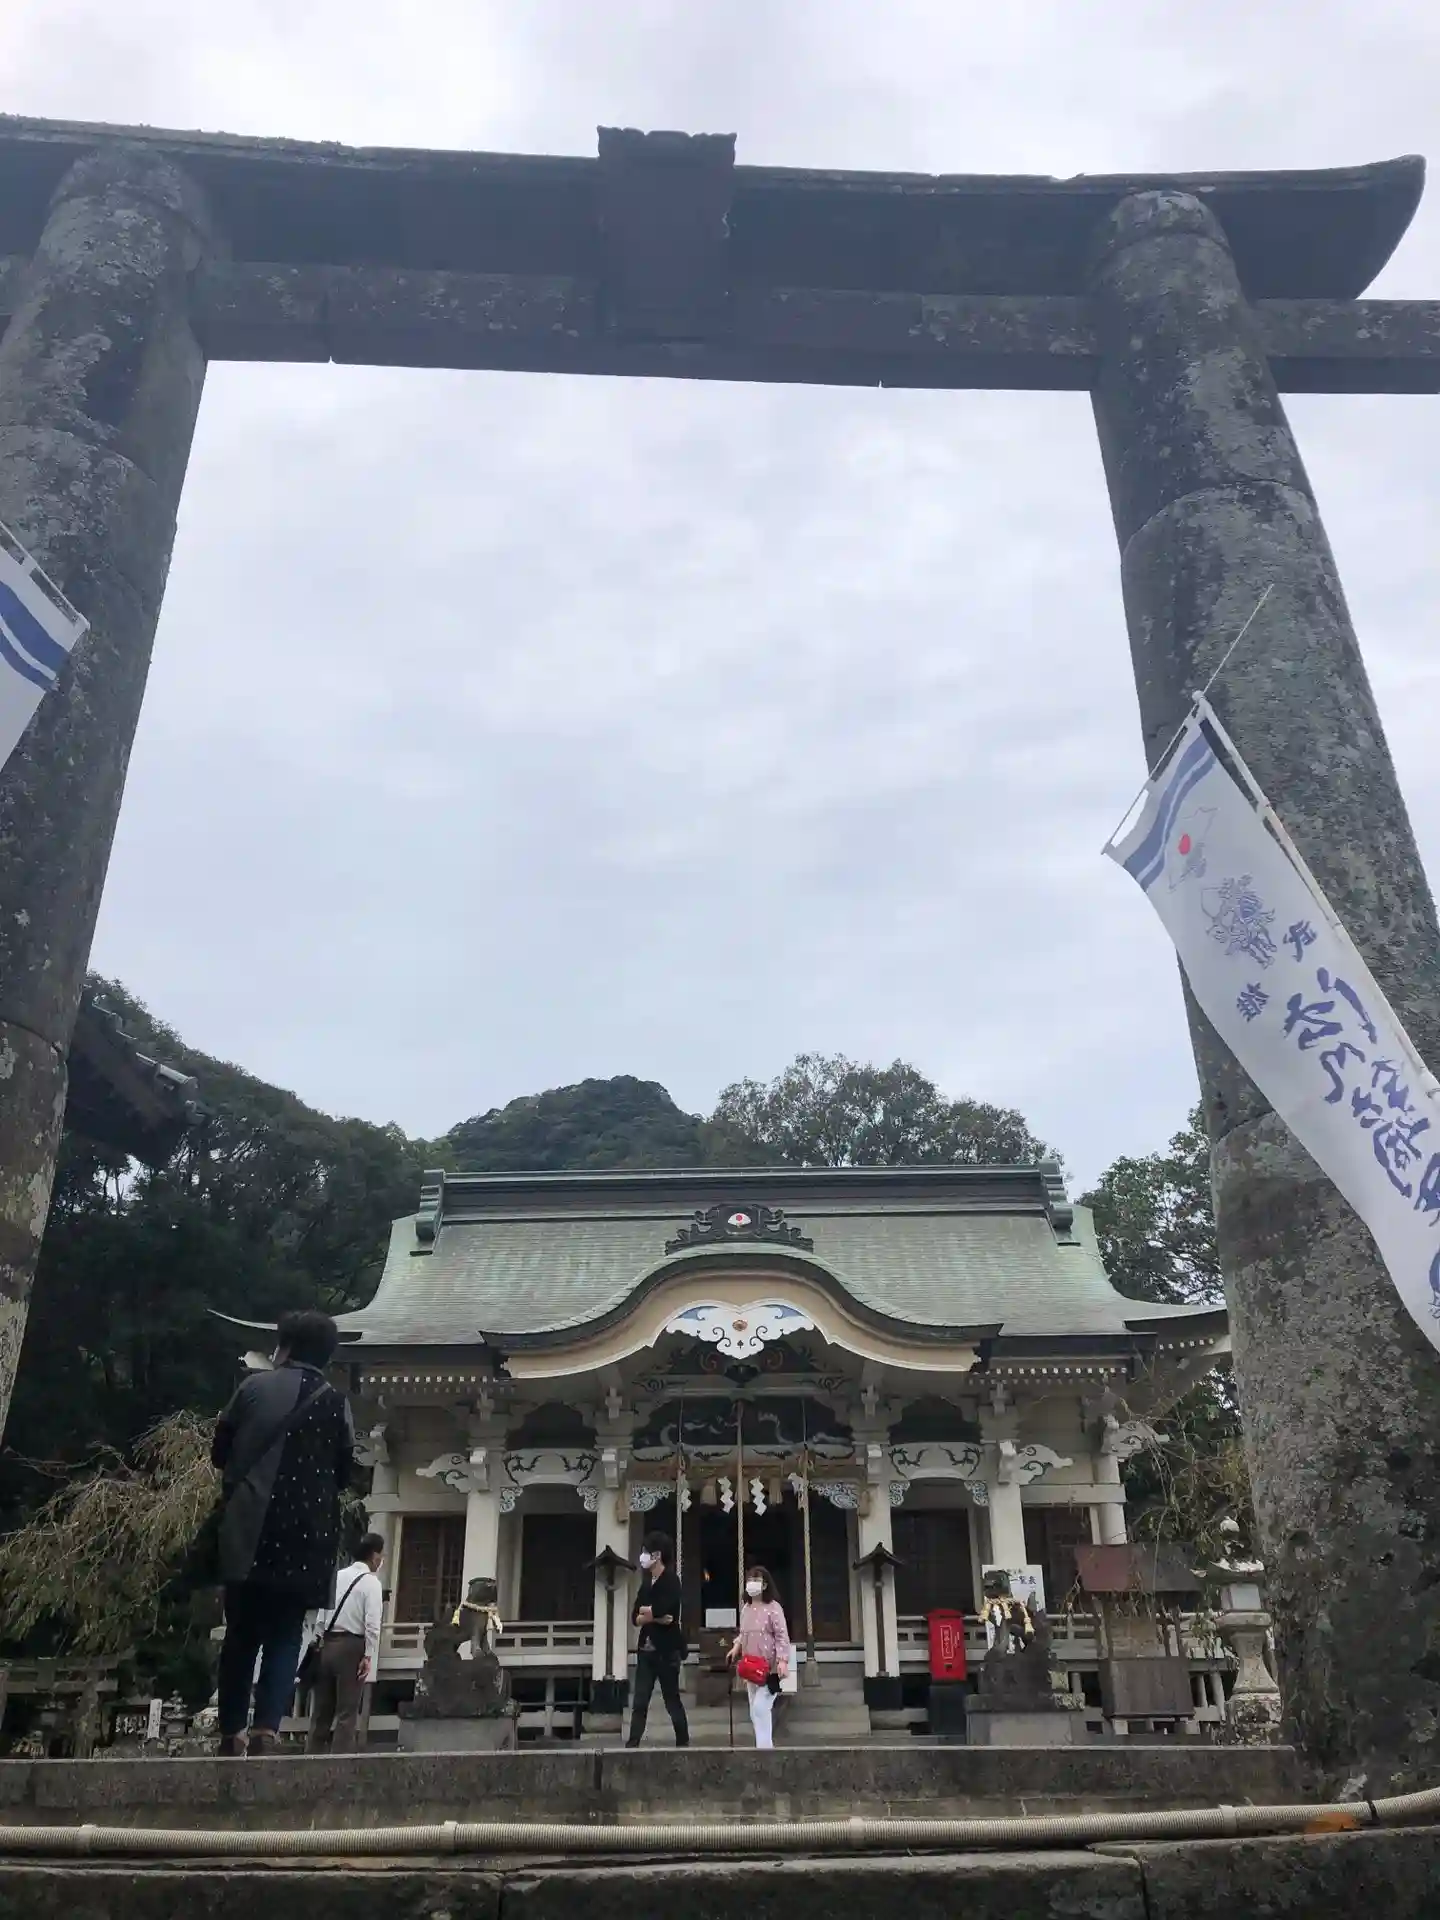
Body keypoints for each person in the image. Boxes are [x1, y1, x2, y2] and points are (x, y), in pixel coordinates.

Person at [211, 1309, 355, 1756]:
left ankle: (231, 1730)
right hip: (306, 1537)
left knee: (241, 1632)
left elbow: (220, 1451)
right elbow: (345, 1472)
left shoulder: (252, 1388)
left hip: (249, 1527)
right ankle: (266, 1731)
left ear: (284, 1347)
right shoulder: (336, 1403)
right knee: (286, 1633)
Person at [307, 1532, 385, 1754]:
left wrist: (318, 1642)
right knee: (346, 1712)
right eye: (381, 1556)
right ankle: (338, 1763)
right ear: (374, 1556)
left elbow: (321, 1617)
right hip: (352, 1647)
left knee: (321, 1711)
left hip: (326, 1645)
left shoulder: (337, 1576)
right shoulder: (371, 1582)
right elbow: (372, 1624)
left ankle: (310, 1759)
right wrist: (368, 1655)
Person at [624, 1530, 689, 1749]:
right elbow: (635, 1617)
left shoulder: (671, 1581)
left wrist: (652, 1614)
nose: (642, 1556)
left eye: (646, 1551)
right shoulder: (646, 1584)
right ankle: (633, 1743)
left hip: (667, 1651)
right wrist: (652, 1615)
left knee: (671, 1700)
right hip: (646, 1651)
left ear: (657, 1555)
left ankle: (683, 1742)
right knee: (640, 1700)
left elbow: (665, 1610)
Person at [728, 1565, 792, 1750]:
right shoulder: (746, 1609)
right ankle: (762, 1747)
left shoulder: (773, 1608)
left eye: (756, 1580)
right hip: (751, 1668)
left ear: (764, 1585)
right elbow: (743, 1633)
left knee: (760, 1707)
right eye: (750, 1580)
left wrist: (782, 1661)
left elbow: (781, 1635)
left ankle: (765, 1749)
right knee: (754, 1711)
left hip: (770, 1668)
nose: (752, 1584)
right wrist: (736, 1647)